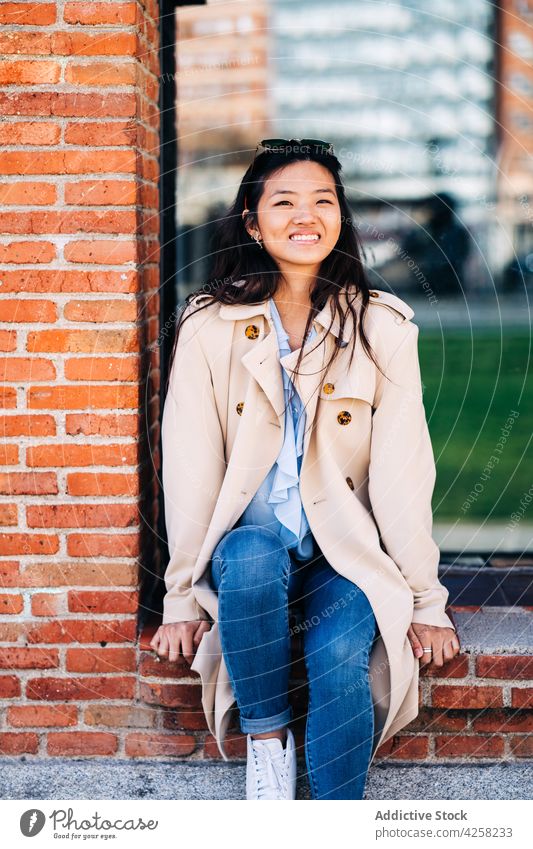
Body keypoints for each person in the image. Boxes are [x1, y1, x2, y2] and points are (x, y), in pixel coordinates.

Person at [150, 139, 461, 800]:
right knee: (257, 551)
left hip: (341, 557)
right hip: (246, 554)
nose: (305, 215)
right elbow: (190, 466)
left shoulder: (381, 327)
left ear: (340, 218)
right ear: (251, 221)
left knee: (337, 658)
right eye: (283, 201)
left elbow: (404, 472)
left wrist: (426, 600)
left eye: (322, 200)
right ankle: (267, 751)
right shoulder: (209, 327)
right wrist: (179, 597)